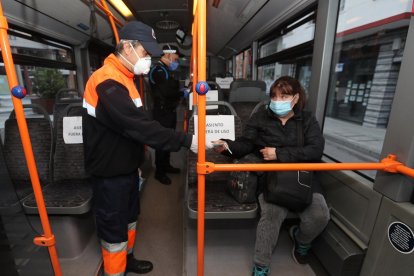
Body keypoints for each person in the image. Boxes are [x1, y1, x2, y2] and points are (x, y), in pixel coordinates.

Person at [82, 21, 204, 276]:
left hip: (125, 167)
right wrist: (185, 140)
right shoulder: (107, 82)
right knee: (114, 230)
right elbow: (139, 126)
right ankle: (115, 272)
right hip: (109, 173)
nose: (148, 58)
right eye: (145, 52)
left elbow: (140, 124)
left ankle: (128, 260)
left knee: (129, 220)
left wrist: (138, 162)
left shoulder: (125, 78)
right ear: (127, 48)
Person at [212, 76, 330, 276]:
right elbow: (246, 144)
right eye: (274, 96)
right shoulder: (261, 118)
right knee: (271, 217)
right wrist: (227, 147)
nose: (277, 101)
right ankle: (261, 265)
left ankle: (301, 240)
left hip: (302, 176)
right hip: (272, 177)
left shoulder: (307, 120)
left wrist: (279, 153)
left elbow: (315, 150)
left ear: (295, 98)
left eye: (284, 96)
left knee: (319, 215)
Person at [149, 44, 185, 185]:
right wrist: (183, 92)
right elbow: (167, 92)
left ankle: (167, 165)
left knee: (168, 139)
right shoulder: (158, 70)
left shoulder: (166, 70)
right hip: (162, 113)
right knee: (161, 141)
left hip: (169, 111)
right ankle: (160, 172)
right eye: (175, 59)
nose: (176, 62)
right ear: (168, 55)